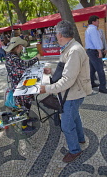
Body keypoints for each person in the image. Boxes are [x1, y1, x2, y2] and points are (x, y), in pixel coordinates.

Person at [40, 20, 92, 163]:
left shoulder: (74, 50)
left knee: (67, 125)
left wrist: (46, 88)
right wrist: (51, 71)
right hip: (72, 93)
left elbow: (68, 80)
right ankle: (80, 139)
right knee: (75, 117)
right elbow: (66, 70)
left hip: (73, 94)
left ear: (61, 34)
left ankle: (75, 150)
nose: (56, 36)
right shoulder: (69, 47)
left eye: (56, 33)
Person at [4, 37, 41, 132]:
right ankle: (24, 126)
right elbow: (25, 64)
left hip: (20, 83)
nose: (21, 48)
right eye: (21, 47)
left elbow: (20, 67)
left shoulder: (11, 55)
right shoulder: (13, 57)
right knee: (25, 105)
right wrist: (36, 58)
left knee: (26, 104)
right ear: (18, 46)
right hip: (19, 86)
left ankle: (27, 118)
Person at [85, 15, 107, 94]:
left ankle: (91, 83)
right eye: (97, 21)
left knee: (92, 69)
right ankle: (102, 87)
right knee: (100, 69)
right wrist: (99, 51)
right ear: (93, 22)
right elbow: (96, 41)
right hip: (94, 51)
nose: (98, 22)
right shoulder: (93, 29)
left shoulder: (89, 29)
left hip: (91, 51)